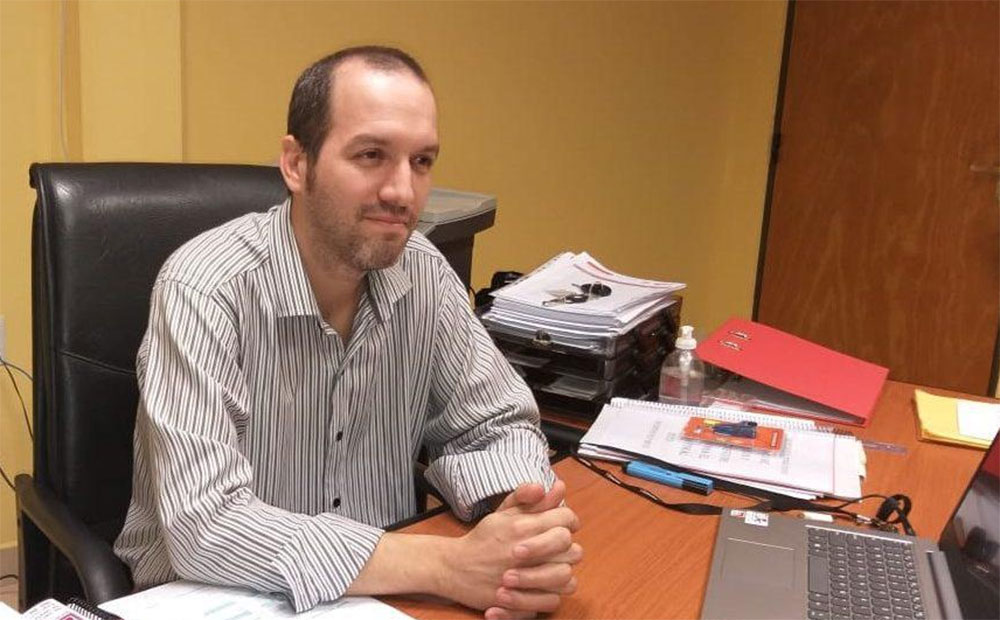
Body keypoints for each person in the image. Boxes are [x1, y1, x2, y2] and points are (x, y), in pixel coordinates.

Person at [113, 46, 582, 619]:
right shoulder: (204, 288)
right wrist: (446, 565)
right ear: (296, 164)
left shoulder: (424, 274)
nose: (402, 192)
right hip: (212, 597)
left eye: (421, 161)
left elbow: (495, 423)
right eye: (371, 155)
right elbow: (205, 526)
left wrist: (520, 525)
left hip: (384, 592)